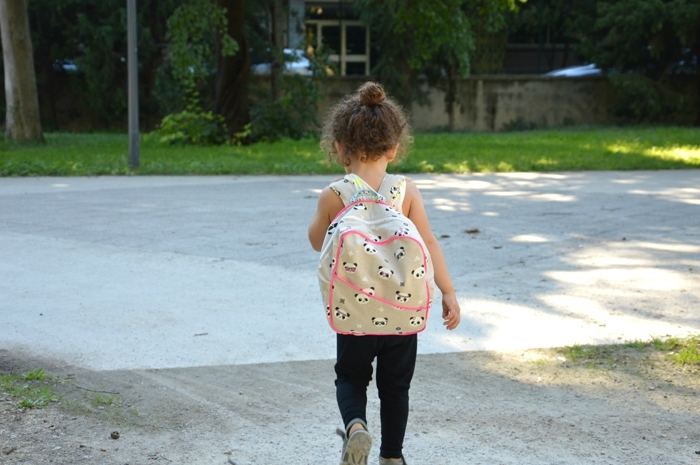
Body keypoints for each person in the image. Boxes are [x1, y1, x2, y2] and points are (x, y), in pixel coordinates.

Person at [308, 82, 461, 465]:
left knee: (350, 378)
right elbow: (429, 244)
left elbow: (316, 241)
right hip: (403, 310)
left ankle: (356, 427)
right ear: (394, 148)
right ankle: (392, 457)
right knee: (396, 388)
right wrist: (448, 292)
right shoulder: (405, 190)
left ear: (340, 148)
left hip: (355, 311)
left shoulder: (335, 193)